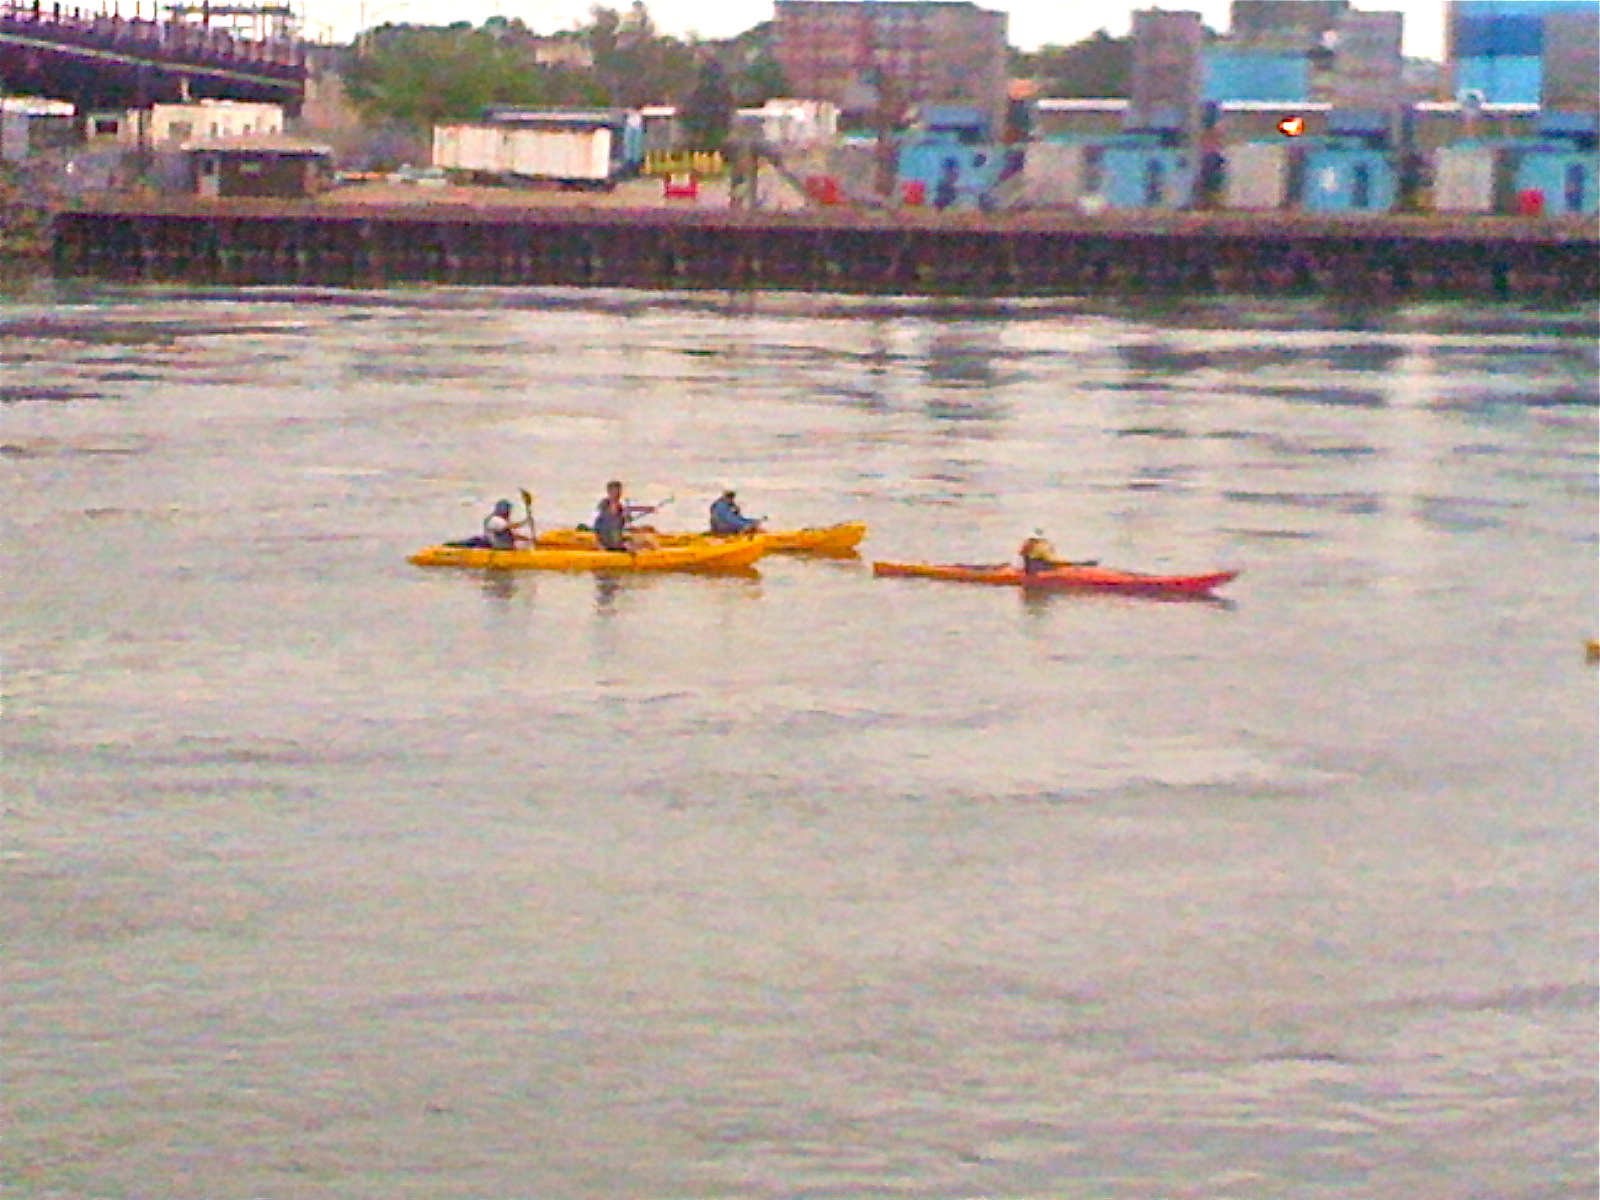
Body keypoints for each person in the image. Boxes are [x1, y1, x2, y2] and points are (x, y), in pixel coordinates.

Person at [593, 480, 658, 552]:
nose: (618, 494)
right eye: (616, 492)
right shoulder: (607, 507)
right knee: (646, 544)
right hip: (614, 544)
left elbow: (627, 512)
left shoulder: (607, 505)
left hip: (609, 542)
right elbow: (599, 526)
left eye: (619, 492)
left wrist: (646, 509)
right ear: (609, 492)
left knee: (643, 542)